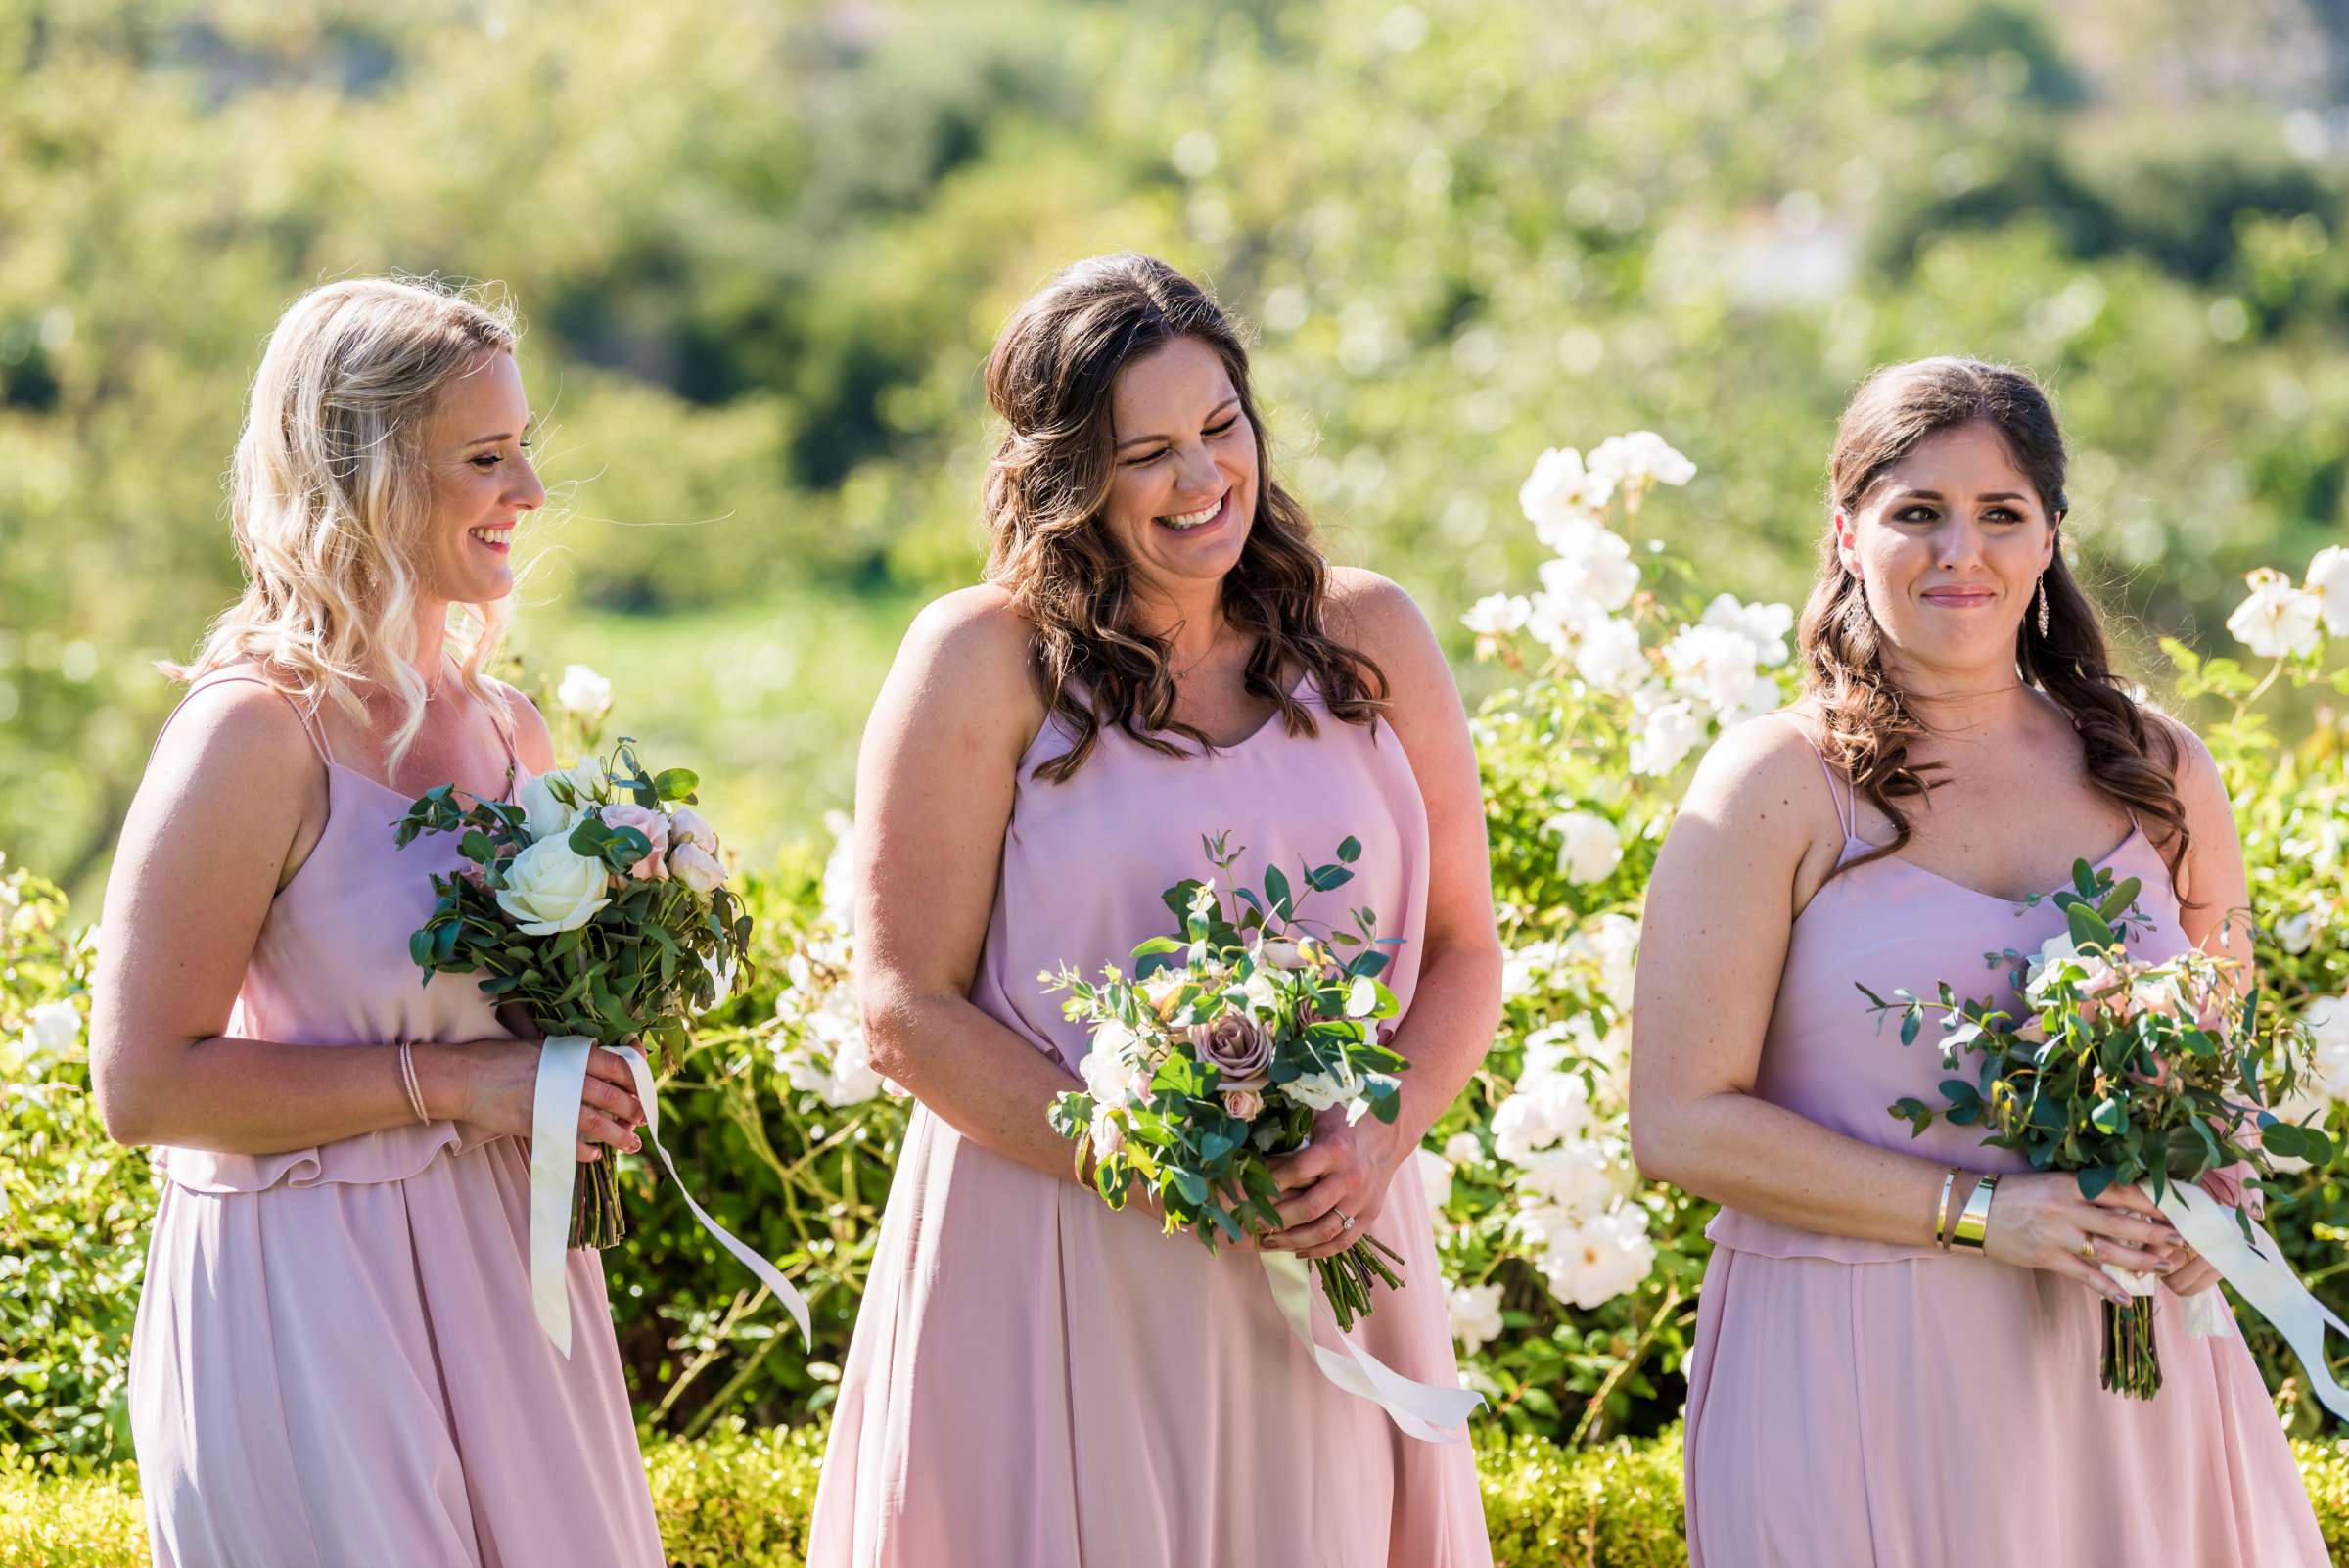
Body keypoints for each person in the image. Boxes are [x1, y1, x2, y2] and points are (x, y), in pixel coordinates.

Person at [806, 254, 1498, 1567]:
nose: (1203, 479)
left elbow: (1465, 952)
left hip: (1328, 1232)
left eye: (1221, 428)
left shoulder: (1372, 637)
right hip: (1061, 1251)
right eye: (1149, 453)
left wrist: (1374, 1133)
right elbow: (903, 1010)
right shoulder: (979, 658)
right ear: (1067, 474)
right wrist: (1155, 1167)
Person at [1631, 356, 2327, 1565]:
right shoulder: (1773, 787)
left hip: (2126, 1371)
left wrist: (2207, 1194)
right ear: (1848, 535)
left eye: (2001, 513)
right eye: (1918, 513)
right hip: (1857, 1360)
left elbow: (2221, 1076)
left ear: (2050, 536)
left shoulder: (2162, 771)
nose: (1962, 552)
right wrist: (1980, 1214)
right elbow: (1679, 1123)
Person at [92, 277, 663, 1567]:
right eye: (483, 455)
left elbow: (515, 1036)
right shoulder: (253, 730)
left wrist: (590, 1051)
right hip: (313, 1297)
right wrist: (460, 1082)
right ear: (361, 474)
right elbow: (139, 1084)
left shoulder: (513, 731)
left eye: (527, 448)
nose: (525, 489)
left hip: (509, 1291)